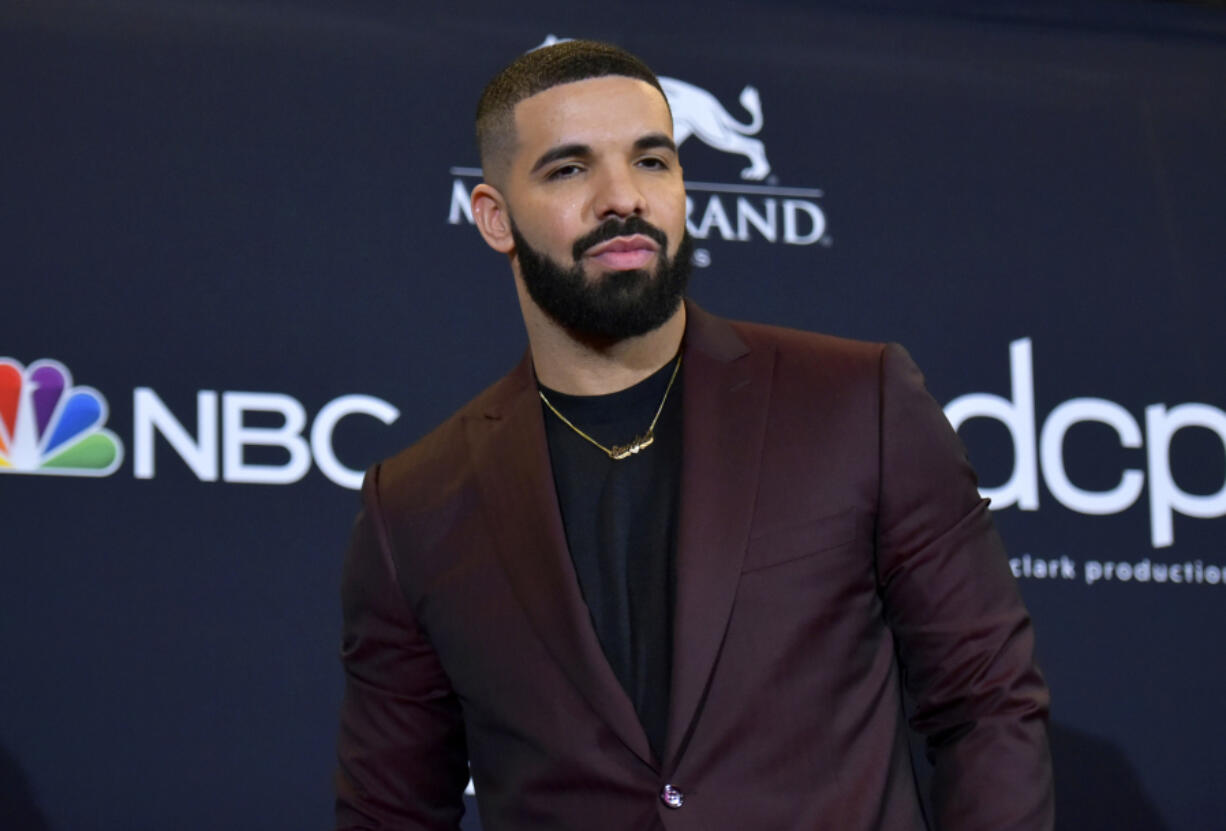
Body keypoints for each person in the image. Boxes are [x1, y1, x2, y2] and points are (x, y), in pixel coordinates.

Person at [335, 39, 1053, 831]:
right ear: (494, 218)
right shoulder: (415, 505)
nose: (623, 198)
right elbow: (390, 810)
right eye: (569, 169)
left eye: (652, 161)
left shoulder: (857, 403)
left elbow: (987, 704)